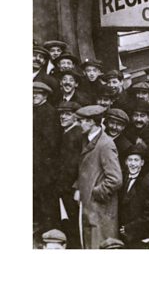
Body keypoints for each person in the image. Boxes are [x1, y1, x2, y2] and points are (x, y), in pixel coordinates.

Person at [74, 105, 123, 249]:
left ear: (91, 122)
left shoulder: (106, 144)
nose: (78, 124)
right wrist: (78, 187)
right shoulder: (87, 139)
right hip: (89, 208)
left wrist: (95, 193)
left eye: (81, 121)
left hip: (100, 211)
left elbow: (115, 179)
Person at [33, 82, 61, 242]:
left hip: (45, 166)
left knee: (47, 201)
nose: (33, 96)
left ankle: (49, 234)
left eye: (37, 94)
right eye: (31, 93)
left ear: (45, 96)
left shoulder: (49, 113)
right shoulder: (34, 110)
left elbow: (51, 143)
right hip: (36, 165)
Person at [118, 145, 149, 249]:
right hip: (122, 235)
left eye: (136, 160)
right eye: (130, 160)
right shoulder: (122, 180)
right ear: (126, 162)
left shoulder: (148, 184)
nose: (132, 164)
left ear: (142, 163)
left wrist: (130, 228)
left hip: (138, 237)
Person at [56, 101, 83, 248]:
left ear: (76, 117)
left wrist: (76, 187)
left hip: (71, 188)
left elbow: (77, 164)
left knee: (73, 225)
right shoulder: (68, 132)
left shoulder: (75, 134)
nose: (63, 117)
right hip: (66, 187)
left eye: (67, 114)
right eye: (61, 113)